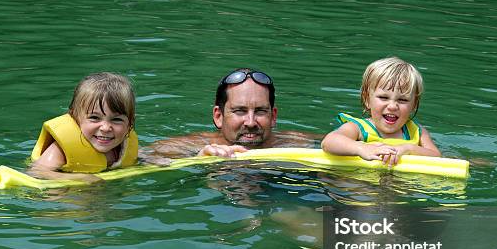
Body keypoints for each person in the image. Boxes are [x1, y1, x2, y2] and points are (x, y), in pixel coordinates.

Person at [143, 68, 318, 161]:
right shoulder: (194, 145)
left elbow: (337, 139)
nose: (250, 122)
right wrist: (199, 162)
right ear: (218, 116)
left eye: (260, 111)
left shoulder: (295, 142)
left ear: (273, 116)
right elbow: (142, 157)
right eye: (239, 111)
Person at [321, 57, 440, 166]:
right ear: (367, 99)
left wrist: (409, 148)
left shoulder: (417, 133)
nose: (393, 106)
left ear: (414, 104)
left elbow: (437, 156)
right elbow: (329, 142)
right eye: (383, 97)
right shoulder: (357, 129)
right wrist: (362, 148)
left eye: (402, 99)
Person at [29, 72, 138, 181]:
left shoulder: (122, 145)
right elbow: (36, 172)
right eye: (94, 118)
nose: (105, 128)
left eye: (116, 120)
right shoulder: (60, 149)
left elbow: (137, 155)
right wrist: (79, 178)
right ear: (75, 118)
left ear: (130, 123)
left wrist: (151, 156)